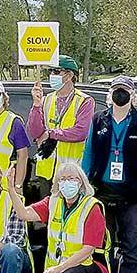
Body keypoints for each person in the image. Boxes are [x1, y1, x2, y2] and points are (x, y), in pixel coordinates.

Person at [81, 76, 137, 273]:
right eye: (116, 90)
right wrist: (83, 184)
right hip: (102, 191)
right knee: (103, 245)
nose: (120, 93)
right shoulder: (98, 119)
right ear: (109, 93)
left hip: (131, 192)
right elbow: (88, 152)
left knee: (130, 245)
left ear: (132, 95)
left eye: (124, 90)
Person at [8, 161, 110, 273]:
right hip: (58, 270)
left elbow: (88, 250)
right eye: (62, 179)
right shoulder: (53, 202)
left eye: (72, 179)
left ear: (81, 182)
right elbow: (24, 214)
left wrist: (59, 268)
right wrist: (11, 190)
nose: (67, 183)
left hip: (86, 265)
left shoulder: (92, 207)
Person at [27, 56, 94, 194]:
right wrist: (36, 104)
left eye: (56, 72)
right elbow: (34, 132)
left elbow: (81, 132)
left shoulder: (84, 101)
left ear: (69, 75)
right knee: (47, 213)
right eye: (50, 72)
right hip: (46, 170)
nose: (52, 75)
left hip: (71, 174)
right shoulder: (47, 99)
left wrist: (51, 133)